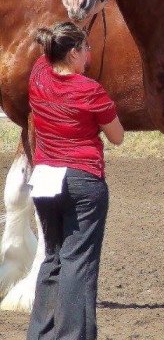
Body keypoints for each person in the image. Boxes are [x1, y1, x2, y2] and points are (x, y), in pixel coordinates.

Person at [26, 21, 124, 340]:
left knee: (52, 256)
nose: (89, 55)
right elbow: (117, 136)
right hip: (83, 179)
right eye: (85, 49)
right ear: (72, 53)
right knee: (78, 262)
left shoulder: (38, 75)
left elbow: (47, 50)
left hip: (44, 179)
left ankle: (41, 334)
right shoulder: (91, 91)